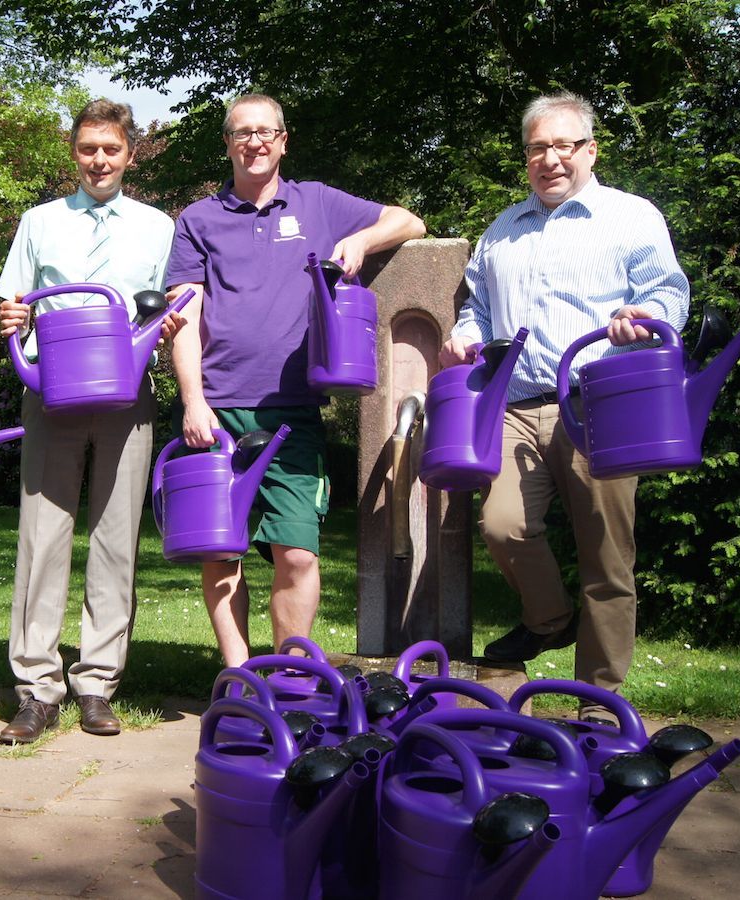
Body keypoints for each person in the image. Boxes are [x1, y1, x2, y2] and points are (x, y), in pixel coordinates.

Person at [440, 91, 690, 712]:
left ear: (590, 149)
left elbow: (668, 292)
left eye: (563, 145)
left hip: (601, 403)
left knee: (606, 556)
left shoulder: (631, 216)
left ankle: (599, 705)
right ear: (525, 156)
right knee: (502, 525)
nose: (550, 159)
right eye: (537, 148)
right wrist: (467, 335)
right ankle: (550, 620)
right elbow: (477, 307)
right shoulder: (502, 230)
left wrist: (647, 316)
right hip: (517, 405)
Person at [166, 93, 425, 667]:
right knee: (221, 551)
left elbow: (409, 220)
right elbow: (182, 315)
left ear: (284, 140)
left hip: (294, 411)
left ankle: (285, 672)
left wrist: (360, 239)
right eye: (242, 133)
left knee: (299, 552)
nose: (254, 142)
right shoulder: (197, 220)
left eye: (265, 132)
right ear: (228, 144)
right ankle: (237, 674)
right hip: (219, 407)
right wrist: (193, 400)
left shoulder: (317, 203)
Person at [0, 100, 178, 741]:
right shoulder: (39, 222)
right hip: (52, 389)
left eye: (111, 149)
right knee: (43, 536)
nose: (99, 160)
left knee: (116, 536)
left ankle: (98, 682)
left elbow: (170, 304)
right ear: (73, 154)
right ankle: (37, 687)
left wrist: (169, 323)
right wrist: (13, 320)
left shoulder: (159, 228)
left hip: (126, 394)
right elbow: (12, 299)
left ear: (130, 154)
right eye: (87, 149)